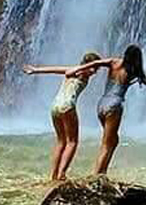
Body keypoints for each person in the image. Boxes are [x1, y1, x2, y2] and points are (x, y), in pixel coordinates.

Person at [65, 44, 146, 174]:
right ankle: (96, 176)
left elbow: (96, 62)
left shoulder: (113, 62)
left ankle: (103, 172)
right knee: (106, 145)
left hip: (101, 105)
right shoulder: (133, 71)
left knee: (113, 141)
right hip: (114, 106)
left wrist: (77, 69)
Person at [24, 51, 101, 181]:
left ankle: (53, 175)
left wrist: (36, 70)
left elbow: (54, 70)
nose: (95, 72)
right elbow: (68, 73)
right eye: (95, 68)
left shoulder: (74, 69)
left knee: (61, 142)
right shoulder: (82, 74)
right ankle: (61, 174)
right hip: (67, 106)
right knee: (72, 142)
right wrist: (88, 68)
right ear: (90, 66)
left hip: (54, 107)